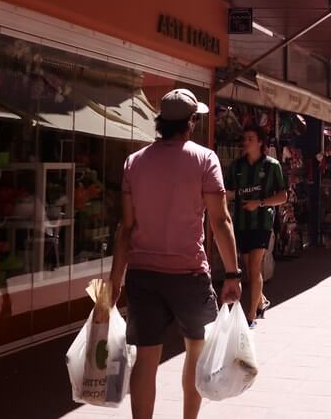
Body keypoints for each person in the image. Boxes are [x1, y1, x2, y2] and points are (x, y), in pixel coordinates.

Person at [109, 88, 241, 419]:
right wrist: (233, 273)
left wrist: (114, 280)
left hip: (142, 274)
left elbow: (125, 227)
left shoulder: (134, 162)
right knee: (195, 353)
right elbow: (220, 221)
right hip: (189, 275)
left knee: (146, 357)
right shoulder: (205, 159)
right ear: (191, 122)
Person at [225, 123, 288, 327]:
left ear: (260, 142)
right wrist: (229, 196)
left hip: (262, 223)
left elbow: (282, 196)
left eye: (250, 138)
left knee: (253, 267)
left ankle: (251, 315)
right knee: (250, 269)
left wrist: (259, 203)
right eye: (245, 138)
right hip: (241, 223)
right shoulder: (236, 167)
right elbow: (229, 191)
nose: (246, 142)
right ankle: (261, 301)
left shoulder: (273, 165)